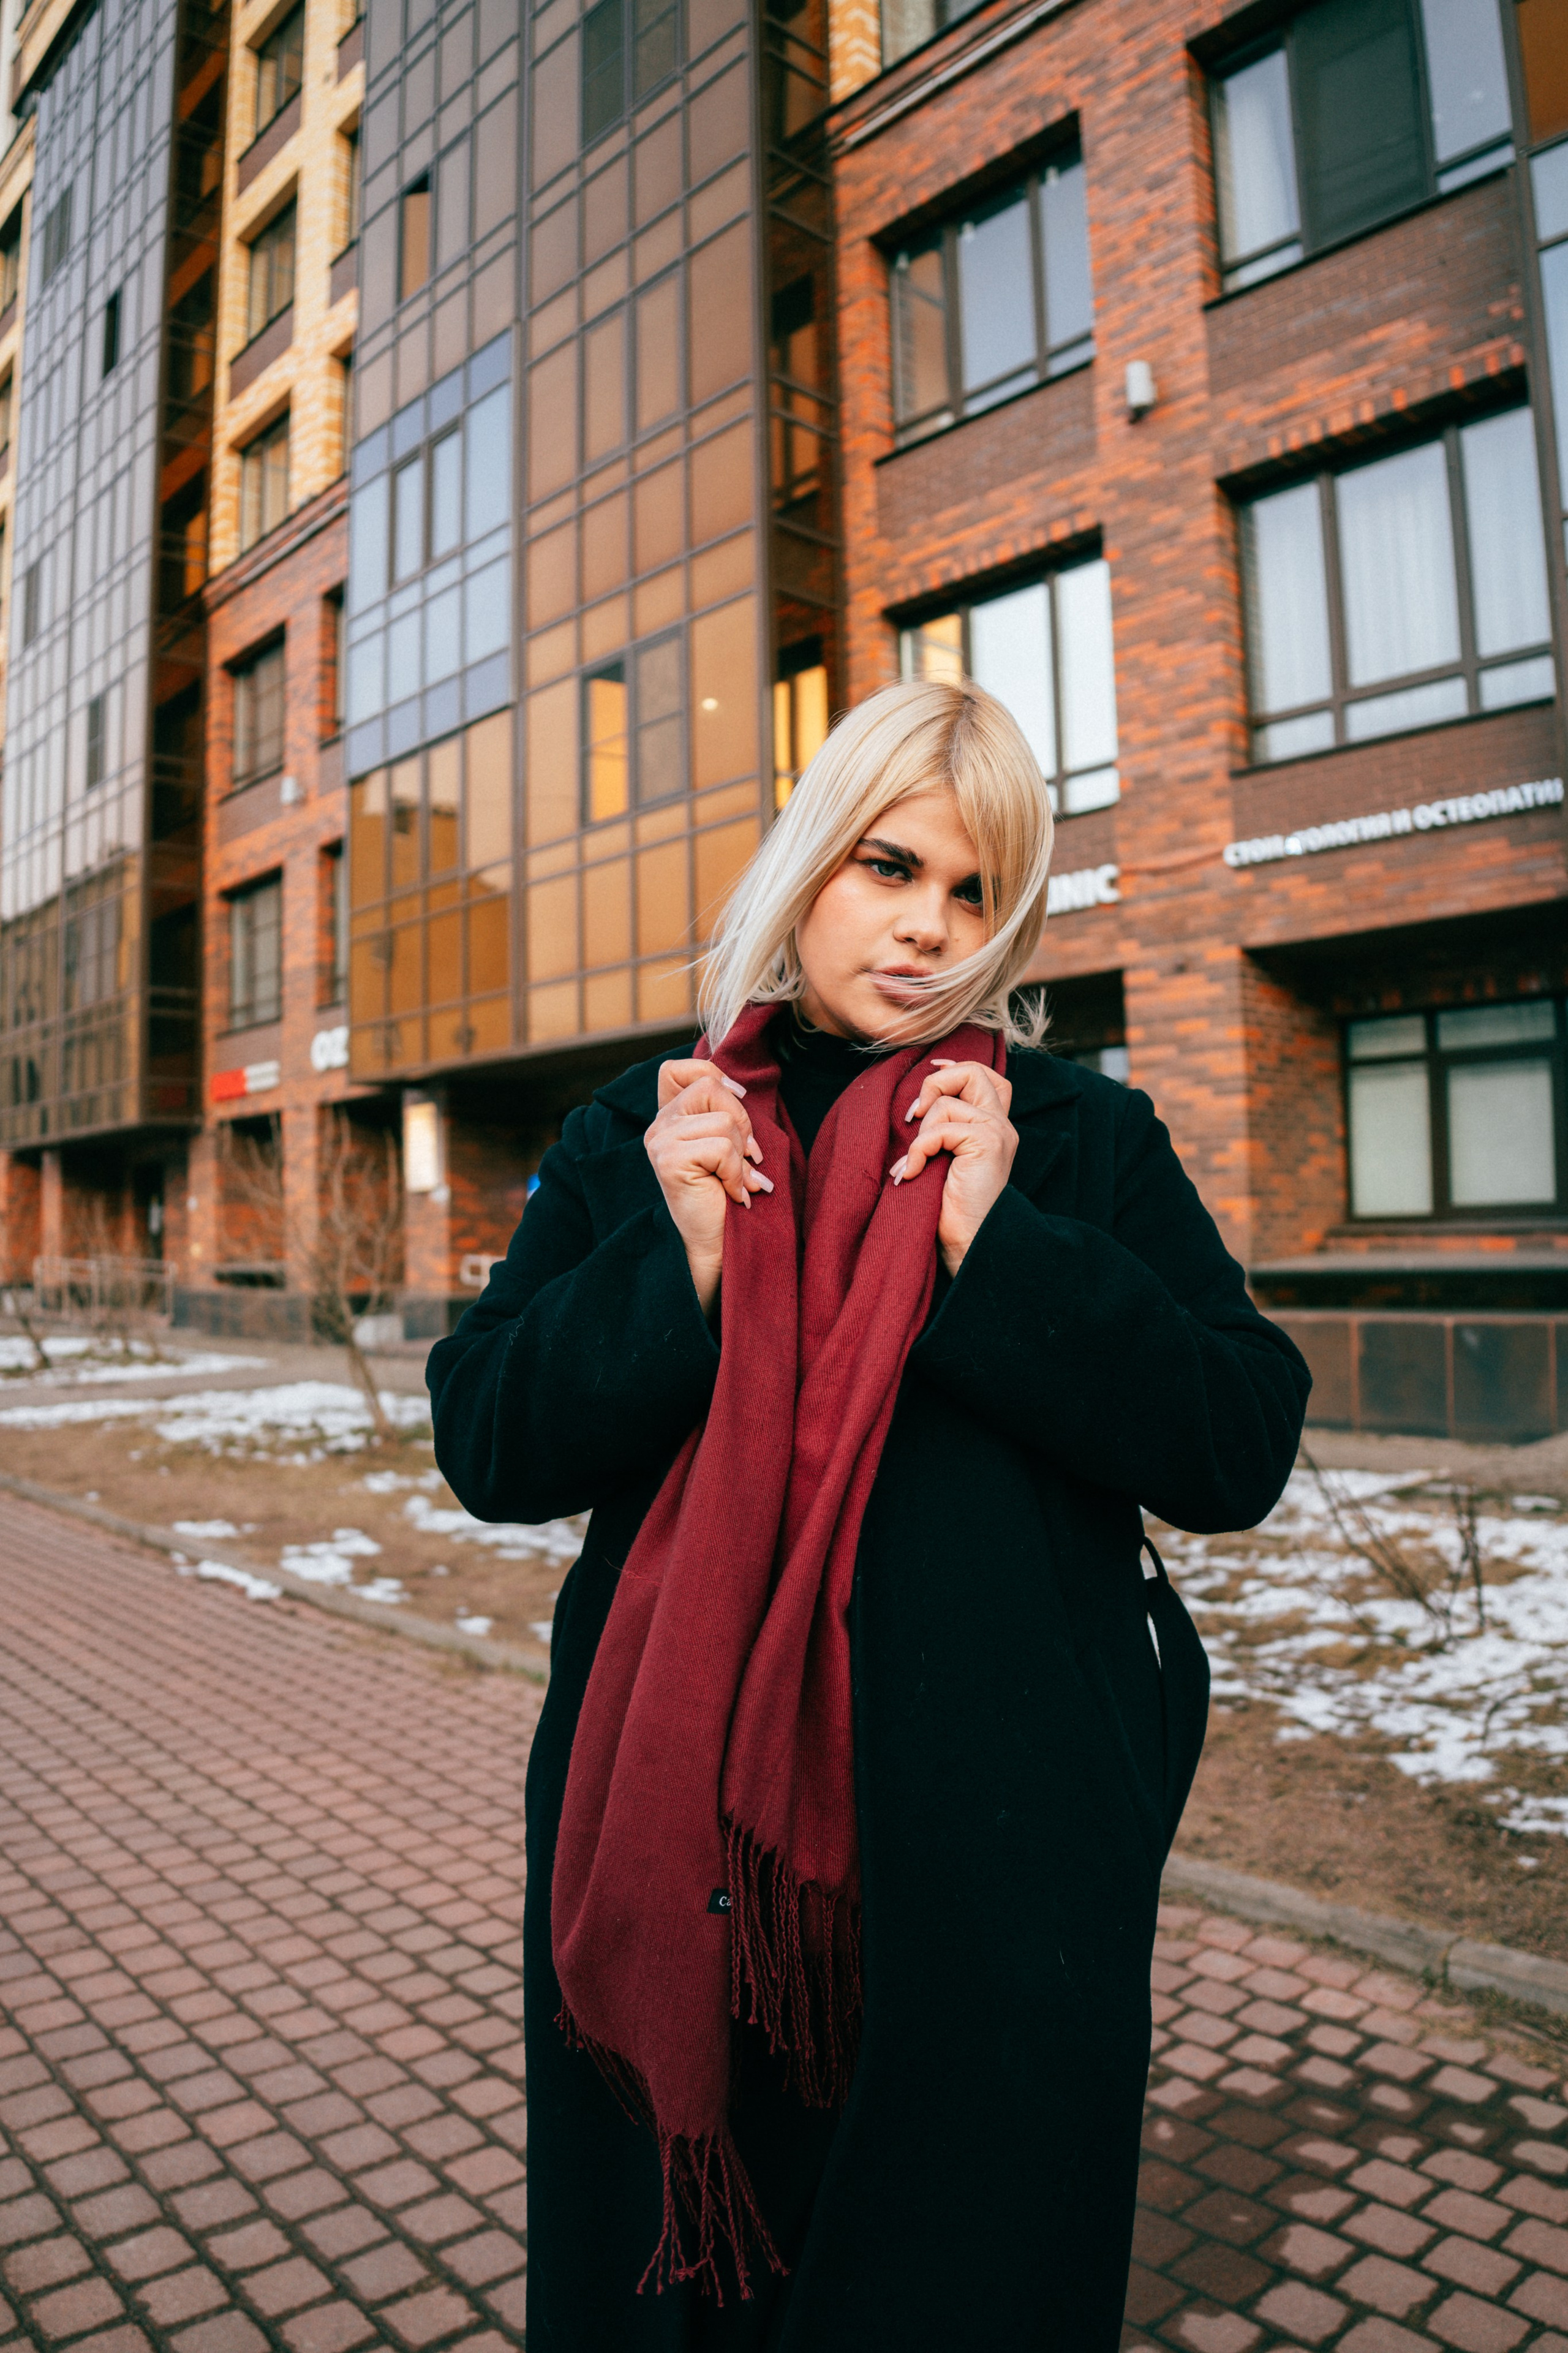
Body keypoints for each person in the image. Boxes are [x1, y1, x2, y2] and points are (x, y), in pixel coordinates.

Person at [427, 678, 1310, 2352]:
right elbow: (487, 1438)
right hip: (681, 1854)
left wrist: (1005, 1245)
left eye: (978, 891)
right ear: (809, 864)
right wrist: (674, 1257)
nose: (929, 928)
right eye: (890, 867)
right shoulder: (648, 1131)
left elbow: (1242, 1437)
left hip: (1001, 1874)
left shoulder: (1075, 1140)